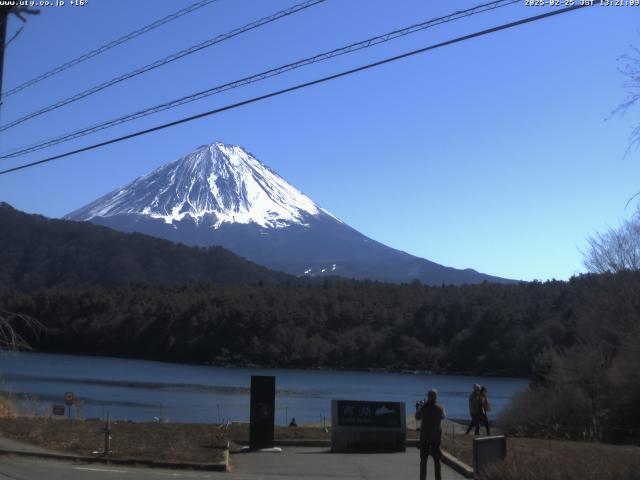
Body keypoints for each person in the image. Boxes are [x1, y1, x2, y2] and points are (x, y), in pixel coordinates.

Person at [415, 389, 446, 480]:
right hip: (436, 437)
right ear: (436, 397)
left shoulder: (424, 408)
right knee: (437, 461)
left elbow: (417, 416)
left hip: (425, 437)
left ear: (428, 397)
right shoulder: (440, 408)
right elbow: (443, 416)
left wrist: (420, 407)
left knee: (423, 461)